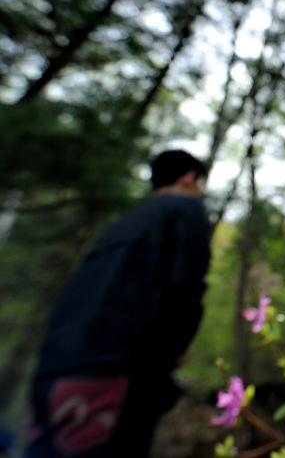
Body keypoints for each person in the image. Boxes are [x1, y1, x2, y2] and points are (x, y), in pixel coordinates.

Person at [24, 150, 211, 458]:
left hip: (56, 369)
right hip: (117, 373)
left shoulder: (121, 225)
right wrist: (175, 349)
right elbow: (187, 284)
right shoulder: (187, 210)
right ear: (189, 178)